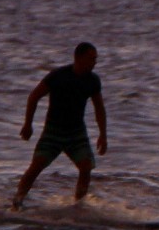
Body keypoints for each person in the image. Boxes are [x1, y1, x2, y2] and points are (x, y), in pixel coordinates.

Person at [10, 41, 107, 209]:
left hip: (76, 132)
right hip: (53, 131)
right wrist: (28, 125)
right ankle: (17, 201)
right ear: (79, 58)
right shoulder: (58, 76)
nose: (94, 63)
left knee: (86, 167)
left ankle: (78, 205)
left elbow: (99, 108)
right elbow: (34, 96)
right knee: (36, 166)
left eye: (95, 59)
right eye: (91, 59)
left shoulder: (92, 81)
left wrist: (103, 135)